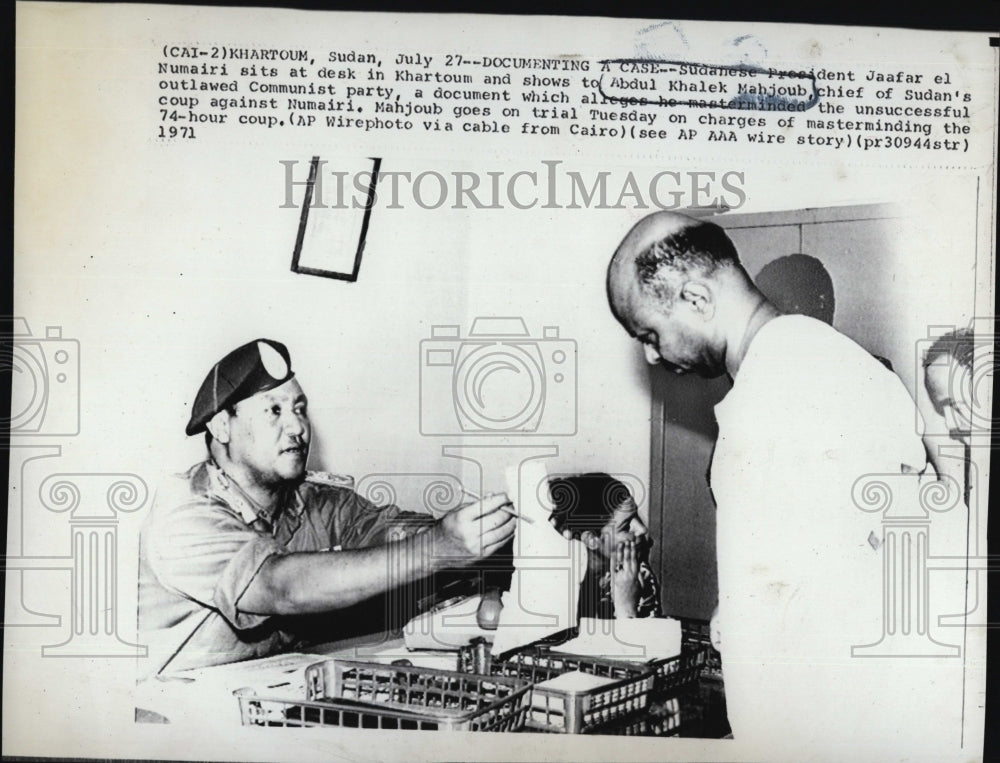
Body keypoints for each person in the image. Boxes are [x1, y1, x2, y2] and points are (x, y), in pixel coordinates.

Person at [605, 212, 948, 750]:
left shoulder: (787, 392)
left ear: (697, 300)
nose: (651, 354)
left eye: (650, 333)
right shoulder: (807, 367)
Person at [138, 338, 515, 678]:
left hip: (268, 701)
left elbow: (394, 533)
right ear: (222, 427)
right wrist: (437, 548)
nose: (297, 427)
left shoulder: (316, 502)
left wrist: (503, 529)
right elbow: (279, 586)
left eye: (300, 409)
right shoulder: (185, 513)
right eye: (274, 411)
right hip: (179, 716)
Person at [547, 473, 661, 619]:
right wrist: (625, 610)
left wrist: (628, 607)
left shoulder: (639, 576)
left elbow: (649, 641)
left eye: (636, 517)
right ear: (592, 540)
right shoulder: (559, 584)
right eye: (626, 527)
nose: (642, 530)